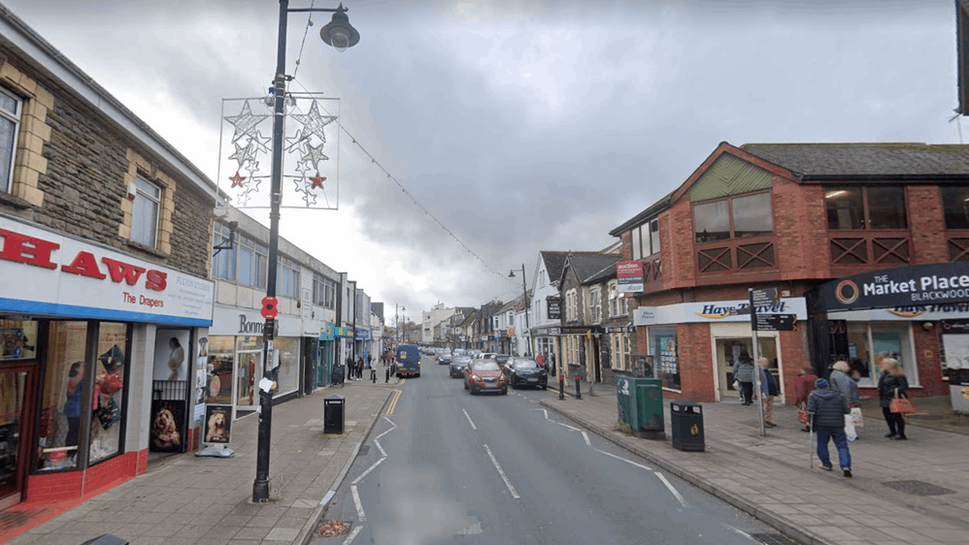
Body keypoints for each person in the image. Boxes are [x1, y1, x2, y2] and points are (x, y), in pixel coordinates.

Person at [807, 378, 852, 478]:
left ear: (816, 386)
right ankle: (846, 466)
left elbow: (811, 411)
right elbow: (846, 410)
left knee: (822, 444)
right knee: (842, 445)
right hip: (838, 424)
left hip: (822, 424)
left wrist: (810, 424)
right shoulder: (839, 395)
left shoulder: (813, 396)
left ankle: (826, 464)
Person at [877, 357, 909, 440]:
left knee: (897, 416)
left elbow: (904, 386)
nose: (883, 365)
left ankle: (901, 433)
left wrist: (893, 390)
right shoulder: (884, 374)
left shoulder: (898, 374)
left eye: (885, 364)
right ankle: (892, 431)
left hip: (894, 398)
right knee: (887, 415)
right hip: (884, 398)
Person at [794, 366, 818, 432]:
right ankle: (816, 426)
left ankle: (809, 426)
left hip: (806, 398)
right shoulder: (815, 377)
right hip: (816, 397)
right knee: (814, 412)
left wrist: (799, 400)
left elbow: (801, 390)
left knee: (807, 413)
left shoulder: (801, 378)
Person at [759, 357, 779, 427]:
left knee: (769, 407)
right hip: (765, 392)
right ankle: (763, 421)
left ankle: (768, 420)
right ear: (760, 363)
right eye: (765, 362)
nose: (767, 363)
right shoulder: (759, 371)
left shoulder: (767, 370)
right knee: (764, 407)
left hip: (770, 392)